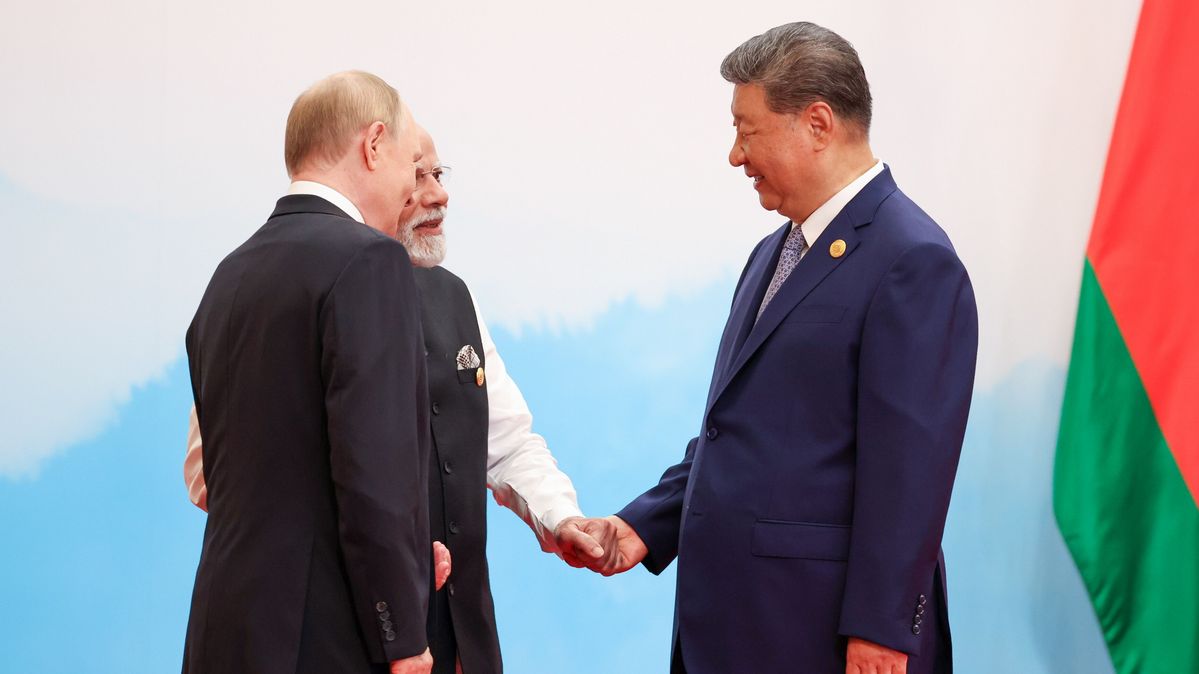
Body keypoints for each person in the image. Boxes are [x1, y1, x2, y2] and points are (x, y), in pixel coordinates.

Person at [586, 22, 978, 674]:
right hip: (736, 629)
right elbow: (739, 434)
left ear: (816, 123)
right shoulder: (771, 255)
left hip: (821, 636)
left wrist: (879, 632)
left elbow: (909, 472)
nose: (734, 156)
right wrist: (642, 527)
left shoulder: (912, 260)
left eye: (746, 129)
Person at [184, 126, 612, 674]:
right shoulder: (283, 291)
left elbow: (505, 442)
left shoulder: (454, 295)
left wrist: (560, 517)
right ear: (373, 174)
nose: (438, 193)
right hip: (337, 639)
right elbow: (212, 474)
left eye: (440, 173)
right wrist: (389, 554)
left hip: (456, 641)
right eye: (416, 176)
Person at [183, 71, 437, 674]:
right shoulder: (370, 261)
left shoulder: (229, 275)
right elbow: (375, 471)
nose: (413, 189)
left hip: (222, 630)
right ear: (374, 145)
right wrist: (402, 637)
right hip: (326, 638)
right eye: (411, 162)